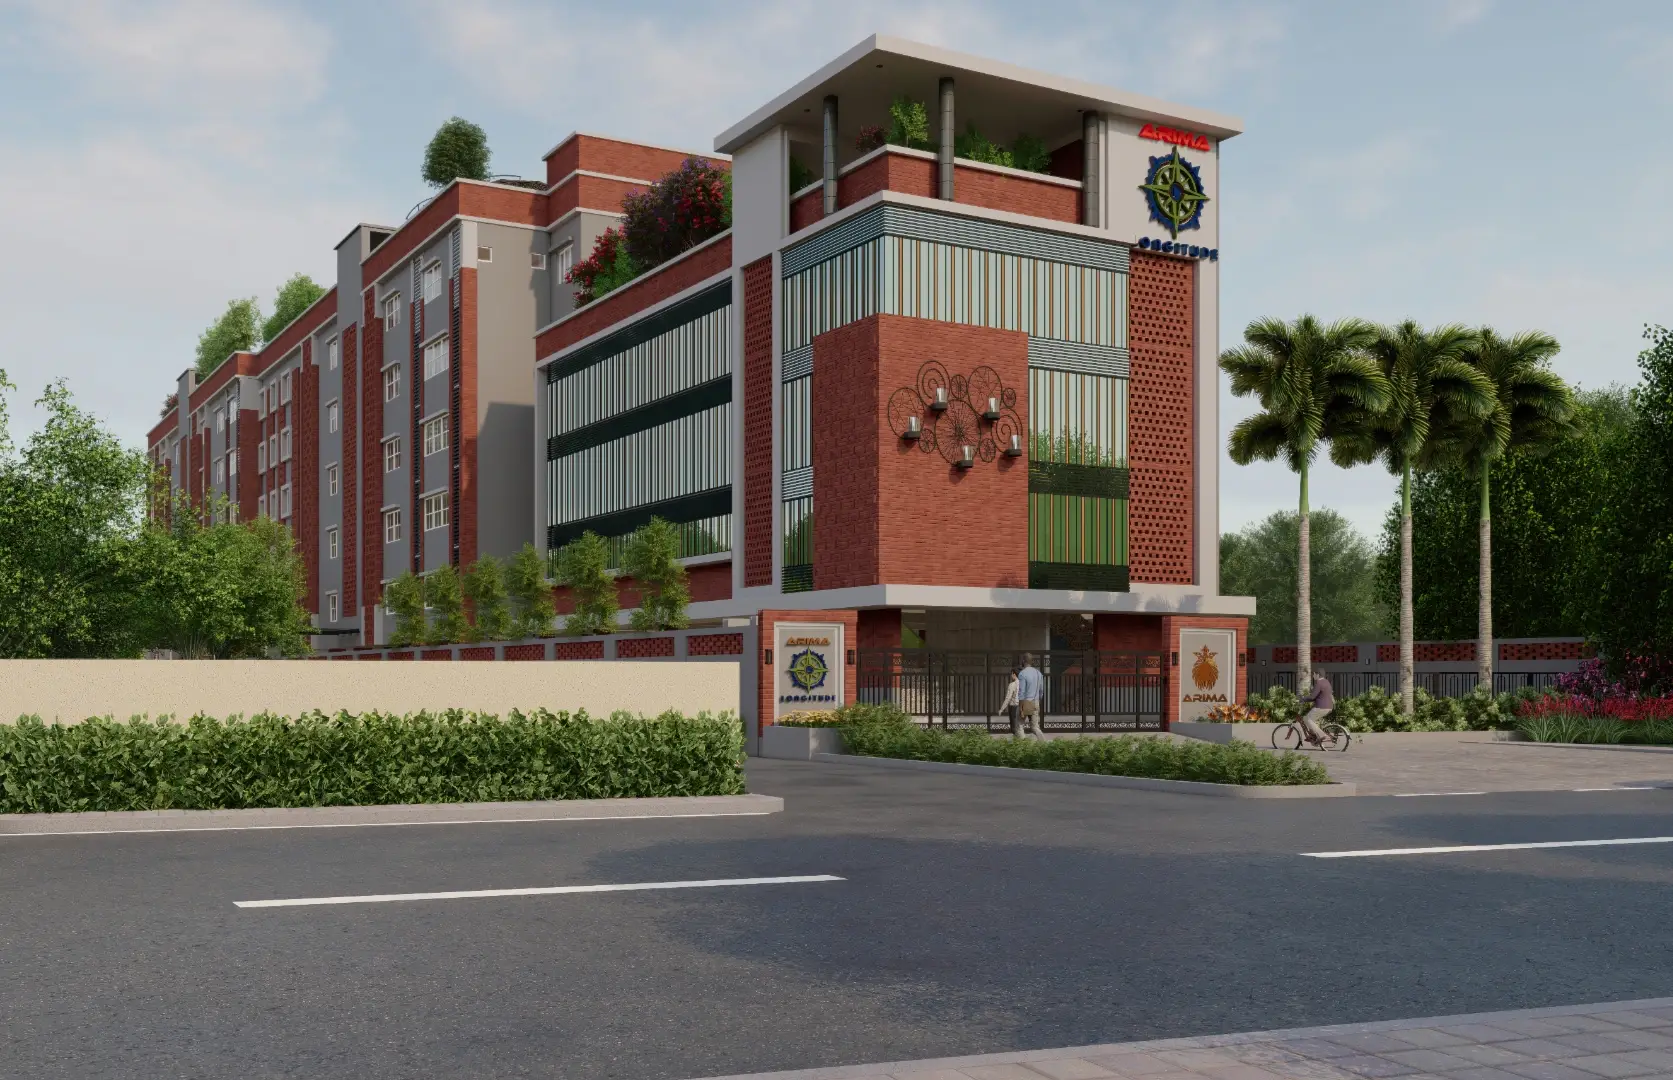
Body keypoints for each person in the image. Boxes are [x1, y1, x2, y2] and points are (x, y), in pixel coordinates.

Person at [1299, 670, 1334, 745]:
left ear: (1317, 674)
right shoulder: (1326, 682)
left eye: (1314, 674)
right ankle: (1314, 736)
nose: (1313, 676)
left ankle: (1322, 735)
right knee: (1308, 719)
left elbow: (1312, 697)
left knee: (1308, 719)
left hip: (1321, 707)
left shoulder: (1319, 682)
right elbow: (1320, 695)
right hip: (1329, 707)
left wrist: (1303, 699)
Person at [1017, 653, 1044, 739]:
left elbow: (1021, 692)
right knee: (1035, 727)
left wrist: (1020, 707)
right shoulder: (1039, 673)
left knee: (1019, 725)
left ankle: (1023, 745)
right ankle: (1043, 744)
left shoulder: (1022, 674)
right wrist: (1038, 701)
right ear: (1032, 661)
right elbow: (1041, 691)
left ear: (1023, 661)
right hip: (1036, 701)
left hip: (1026, 702)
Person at [998, 669, 1021, 737]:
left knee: (1014, 727)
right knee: (1019, 726)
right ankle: (1020, 740)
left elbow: (1008, 698)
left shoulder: (1012, 684)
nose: (1011, 676)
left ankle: (1017, 740)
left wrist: (1002, 709)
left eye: (1011, 674)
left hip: (1013, 707)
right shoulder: (1022, 684)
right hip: (1021, 706)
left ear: (1014, 674)